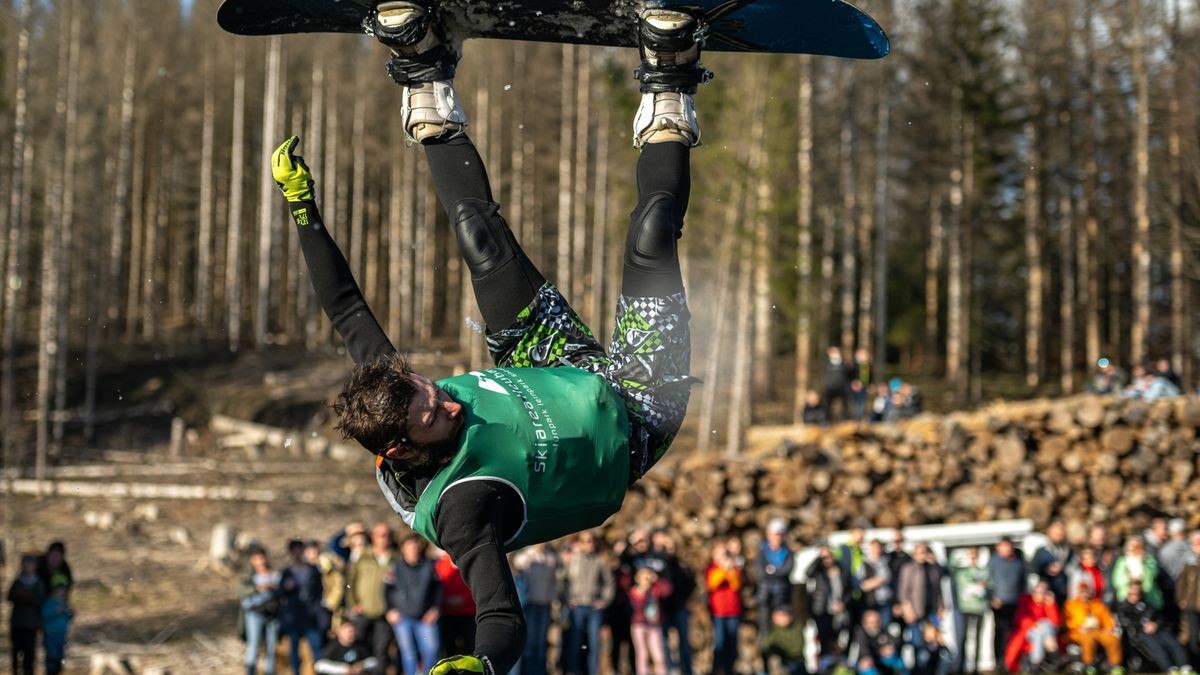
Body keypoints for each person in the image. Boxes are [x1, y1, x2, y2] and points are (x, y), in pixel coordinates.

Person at [271, 4, 707, 673]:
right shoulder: (462, 508)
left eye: (426, 387)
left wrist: (303, 209)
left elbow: (345, 306)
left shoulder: (392, 395)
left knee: (480, 237)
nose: (446, 397)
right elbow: (501, 612)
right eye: (432, 414)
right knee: (650, 237)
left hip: (543, 364)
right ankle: (670, 86)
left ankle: (425, 74)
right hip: (635, 417)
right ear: (402, 446)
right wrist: (481, 665)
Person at [387, 534, 443, 675]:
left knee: (431, 649)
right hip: (403, 617)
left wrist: (435, 609)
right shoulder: (394, 568)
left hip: (425, 617)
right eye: (409, 547)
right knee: (408, 653)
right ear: (403, 549)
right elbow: (386, 590)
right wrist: (390, 610)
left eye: (415, 546)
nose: (413, 550)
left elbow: (438, 589)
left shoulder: (430, 566)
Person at [562, 532, 614, 675]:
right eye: (584, 541)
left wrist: (605, 600)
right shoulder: (573, 560)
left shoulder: (599, 561)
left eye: (590, 541)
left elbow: (609, 582)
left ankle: (593, 672)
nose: (588, 544)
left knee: (594, 643)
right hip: (577, 607)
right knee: (575, 642)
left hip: (593, 608)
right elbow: (564, 581)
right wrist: (568, 597)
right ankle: (573, 671)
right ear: (580, 543)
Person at [346, 523, 397, 666]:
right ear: (373, 537)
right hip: (363, 611)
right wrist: (353, 602)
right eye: (381, 535)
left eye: (387, 535)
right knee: (359, 647)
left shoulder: (396, 559)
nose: (384, 539)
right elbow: (350, 582)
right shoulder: (362, 557)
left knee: (381, 650)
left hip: (384, 613)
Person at [1118, 581, 1192, 673]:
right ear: (1128, 591)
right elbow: (1126, 622)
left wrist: (1155, 624)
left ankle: (1185, 667)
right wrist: (1142, 626)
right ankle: (1170, 669)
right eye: (1133, 591)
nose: (1135, 594)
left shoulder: (1146, 604)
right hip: (1140, 633)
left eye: (1137, 591)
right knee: (1157, 648)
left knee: (1174, 643)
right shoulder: (1124, 607)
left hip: (1157, 630)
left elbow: (1159, 617)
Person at [897, 543, 944, 674]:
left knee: (934, 644)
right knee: (919, 645)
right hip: (915, 612)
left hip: (931, 613)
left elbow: (937, 591)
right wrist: (907, 609)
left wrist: (940, 607)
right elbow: (903, 592)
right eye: (920, 552)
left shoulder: (933, 569)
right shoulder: (908, 569)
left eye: (925, 552)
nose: (923, 555)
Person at [652, 531, 695, 675]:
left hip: (679, 606)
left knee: (684, 643)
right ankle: (670, 669)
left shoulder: (680, 562)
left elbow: (690, 583)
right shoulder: (656, 561)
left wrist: (683, 597)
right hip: (663, 608)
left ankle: (687, 670)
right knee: (664, 643)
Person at [281, 538, 326, 675]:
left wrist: (320, 614)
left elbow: (320, 591)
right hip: (293, 617)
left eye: (299, 549)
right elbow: (279, 593)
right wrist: (286, 588)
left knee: (317, 649)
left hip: (310, 617)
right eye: (294, 550)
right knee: (294, 651)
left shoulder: (313, 570)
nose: (297, 553)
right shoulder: (286, 572)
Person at [512, 543, 558, 675]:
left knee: (541, 641)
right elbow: (517, 563)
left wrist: (553, 601)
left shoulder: (550, 557)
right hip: (530, 605)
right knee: (530, 641)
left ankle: (539, 671)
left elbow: (553, 582)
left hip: (544, 605)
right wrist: (531, 554)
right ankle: (528, 671)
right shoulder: (527, 555)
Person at [240, 545, 282, 675]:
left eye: (262, 557)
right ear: (252, 560)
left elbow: (282, 593)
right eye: (257, 559)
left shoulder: (275, 575)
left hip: (273, 615)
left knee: (272, 649)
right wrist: (258, 589)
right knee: (254, 648)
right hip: (255, 615)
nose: (261, 561)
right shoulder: (249, 578)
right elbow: (243, 597)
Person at [1064, 580, 1122, 673]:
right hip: (1080, 632)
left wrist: (1109, 627)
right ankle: (1089, 665)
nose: (1084, 594)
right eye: (1082, 591)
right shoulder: (1071, 605)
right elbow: (1067, 621)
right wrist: (1078, 627)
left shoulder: (1098, 604)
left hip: (1098, 630)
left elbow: (1107, 618)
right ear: (1078, 592)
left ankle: (1115, 665)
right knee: (1088, 639)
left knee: (1113, 638)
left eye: (1086, 591)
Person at [986, 537, 1025, 674]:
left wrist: (1022, 598)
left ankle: (1012, 662)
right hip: (999, 604)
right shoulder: (994, 562)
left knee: (1013, 633)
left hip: (1015, 603)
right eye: (1003, 546)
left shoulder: (1017, 562)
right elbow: (987, 580)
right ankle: (1000, 662)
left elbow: (1022, 581)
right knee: (1000, 633)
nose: (1007, 549)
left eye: (1008, 546)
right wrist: (992, 597)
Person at [1003, 580, 1061, 674]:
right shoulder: (1026, 601)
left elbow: (1055, 622)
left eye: (1043, 592)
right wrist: (1035, 625)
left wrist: (1051, 605)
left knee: (1042, 629)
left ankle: (1035, 663)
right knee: (1044, 624)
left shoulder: (1048, 603)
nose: (1039, 594)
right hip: (1028, 631)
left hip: (1042, 633)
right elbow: (1021, 618)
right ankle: (1051, 647)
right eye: (1037, 591)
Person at [807, 545, 850, 668]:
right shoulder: (819, 571)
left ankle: (840, 665)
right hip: (822, 611)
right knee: (824, 640)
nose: (827, 560)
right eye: (825, 558)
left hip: (839, 612)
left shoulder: (842, 571)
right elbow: (808, 572)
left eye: (829, 556)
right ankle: (825, 667)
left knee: (840, 640)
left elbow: (848, 590)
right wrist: (819, 556)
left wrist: (843, 603)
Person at [707, 540, 745, 675]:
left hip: (733, 611)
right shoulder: (712, 568)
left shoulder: (734, 568)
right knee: (720, 644)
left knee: (732, 643)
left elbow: (736, 585)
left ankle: (729, 670)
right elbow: (713, 584)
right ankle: (716, 670)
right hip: (718, 613)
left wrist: (730, 570)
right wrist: (724, 569)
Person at [757, 519, 795, 649]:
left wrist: (772, 571)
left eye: (779, 534)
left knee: (782, 629)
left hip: (782, 597)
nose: (777, 537)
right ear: (768, 534)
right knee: (764, 632)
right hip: (765, 597)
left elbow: (786, 570)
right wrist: (775, 572)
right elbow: (761, 573)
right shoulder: (762, 552)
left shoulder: (788, 553)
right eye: (774, 534)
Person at [630, 566, 673, 675]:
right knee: (642, 654)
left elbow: (668, 590)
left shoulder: (655, 590)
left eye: (648, 578)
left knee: (659, 655)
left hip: (654, 625)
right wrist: (643, 593)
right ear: (638, 578)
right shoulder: (634, 592)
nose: (646, 581)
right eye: (644, 578)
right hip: (639, 626)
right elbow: (636, 609)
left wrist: (657, 579)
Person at [951, 547, 988, 674]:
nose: (972, 557)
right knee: (963, 638)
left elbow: (990, 585)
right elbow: (951, 567)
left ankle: (975, 667)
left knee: (978, 638)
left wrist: (985, 587)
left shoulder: (983, 571)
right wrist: (960, 557)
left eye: (974, 555)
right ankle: (961, 666)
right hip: (965, 608)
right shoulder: (961, 571)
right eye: (970, 555)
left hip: (979, 608)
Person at [8, 553, 45, 675]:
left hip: (31, 625)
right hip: (17, 624)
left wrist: (29, 598)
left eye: (30, 564)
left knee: (29, 655)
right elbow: (9, 597)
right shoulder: (18, 582)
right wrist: (19, 595)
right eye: (26, 564)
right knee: (16, 653)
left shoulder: (38, 583)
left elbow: (40, 601)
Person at [435, 553, 477, 657]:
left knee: (470, 648)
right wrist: (445, 600)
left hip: (468, 613)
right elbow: (436, 587)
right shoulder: (440, 565)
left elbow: (476, 585)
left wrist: (464, 599)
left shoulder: (469, 563)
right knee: (448, 649)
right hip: (447, 614)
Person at [316, 618, 385, 675]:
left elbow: (374, 661)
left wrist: (361, 666)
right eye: (346, 630)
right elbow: (319, 665)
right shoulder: (333, 647)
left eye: (352, 630)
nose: (350, 633)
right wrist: (343, 670)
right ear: (338, 632)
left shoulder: (360, 645)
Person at [1112, 535, 1164, 608]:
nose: (1136, 549)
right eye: (1133, 546)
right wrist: (1131, 580)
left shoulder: (1149, 561)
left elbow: (1152, 577)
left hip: (1148, 597)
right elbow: (1117, 581)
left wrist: (1143, 563)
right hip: (1127, 598)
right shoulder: (1122, 562)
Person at [1032, 520, 1076, 604]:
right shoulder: (1041, 552)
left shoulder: (1069, 551)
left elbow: (1074, 569)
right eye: (1056, 533)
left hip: (1065, 594)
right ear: (1049, 532)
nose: (1059, 535)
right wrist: (1045, 569)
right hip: (1046, 596)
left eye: (1061, 532)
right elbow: (1033, 571)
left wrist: (1063, 568)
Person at [850, 609, 904, 675]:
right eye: (871, 622)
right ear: (864, 623)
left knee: (896, 660)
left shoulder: (885, 629)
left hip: (883, 662)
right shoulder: (860, 633)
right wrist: (867, 657)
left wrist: (891, 647)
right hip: (866, 665)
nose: (874, 625)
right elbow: (862, 650)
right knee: (868, 668)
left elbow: (897, 640)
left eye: (877, 621)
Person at [40, 580, 72, 675]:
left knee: (60, 657)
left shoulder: (64, 603)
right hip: (50, 633)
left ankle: (57, 671)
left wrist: (70, 612)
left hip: (62, 633)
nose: (61, 592)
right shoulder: (49, 603)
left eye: (63, 590)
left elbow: (68, 617)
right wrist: (56, 611)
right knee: (51, 657)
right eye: (59, 590)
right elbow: (45, 616)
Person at [765, 608, 809, 675]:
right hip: (783, 663)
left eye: (786, 614)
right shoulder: (773, 632)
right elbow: (769, 648)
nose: (784, 618)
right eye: (782, 615)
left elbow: (799, 648)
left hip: (799, 661)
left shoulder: (798, 628)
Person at [823, 347, 851, 421]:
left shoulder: (843, 363)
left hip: (841, 387)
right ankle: (827, 420)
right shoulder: (826, 363)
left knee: (845, 403)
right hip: (830, 387)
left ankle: (845, 418)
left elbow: (848, 374)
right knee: (827, 404)